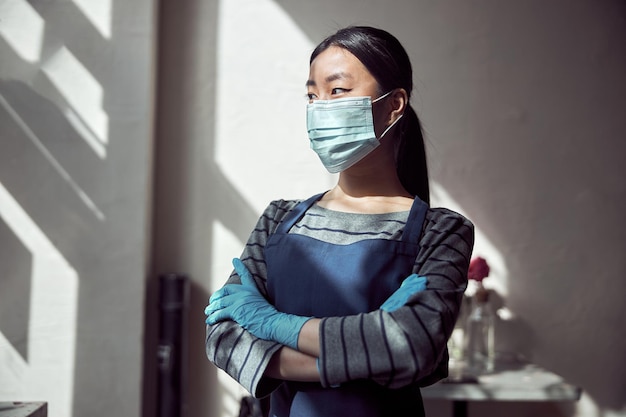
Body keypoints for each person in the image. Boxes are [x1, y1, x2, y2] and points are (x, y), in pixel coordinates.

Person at [205, 26, 474, 417]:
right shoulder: (279, 218)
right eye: (312, 94)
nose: (320, 106)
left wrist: (270, 322)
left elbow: (413, 346)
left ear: (394, 104)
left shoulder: (441, 231)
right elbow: (223, 335)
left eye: (337, 91)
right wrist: (371, 352)